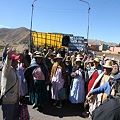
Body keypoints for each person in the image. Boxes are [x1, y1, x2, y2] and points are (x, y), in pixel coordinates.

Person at [1, 48, 20, 120]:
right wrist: (8, 58)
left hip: (15, 100)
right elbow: (6, 66)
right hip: (8, 101)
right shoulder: (7, 70)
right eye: (15, 60)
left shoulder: (15, 70)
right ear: (11, 61)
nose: (17, 62)